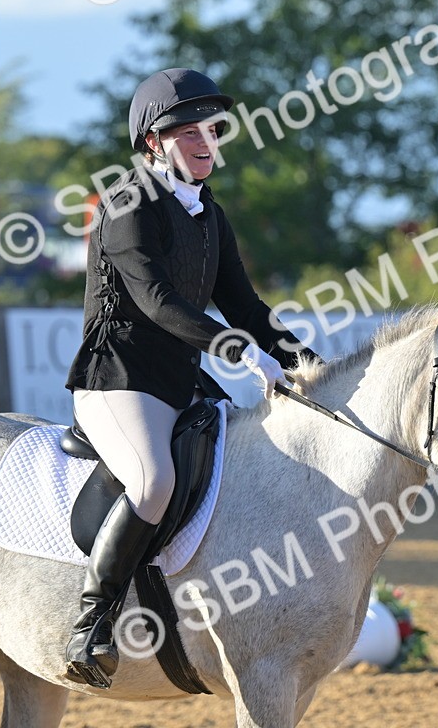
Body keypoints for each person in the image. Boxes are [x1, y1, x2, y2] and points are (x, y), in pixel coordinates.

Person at [62, 67, 318, 688]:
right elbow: (155, 301)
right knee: (153, 481)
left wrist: (300, 360)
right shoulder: (126, 204)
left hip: (180, 378)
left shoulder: (210, 215)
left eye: (213, 128)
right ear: (154, 141)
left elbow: (247, 308)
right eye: (188, 130)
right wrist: (233, 350)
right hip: (120, 378)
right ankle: (92, 623)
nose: (206, 140)